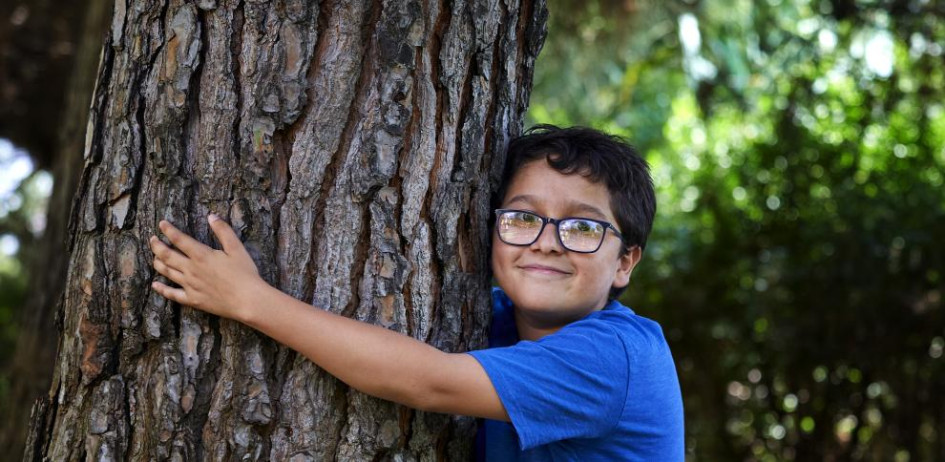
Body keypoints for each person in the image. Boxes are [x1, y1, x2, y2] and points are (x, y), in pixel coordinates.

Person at [149, 125, 685, 460]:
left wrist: (251, 300)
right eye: (524, 218)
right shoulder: (498, 318)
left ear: (625, 263)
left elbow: (428, 382)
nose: (546, 243)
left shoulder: (615, 358)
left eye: (583, 229)